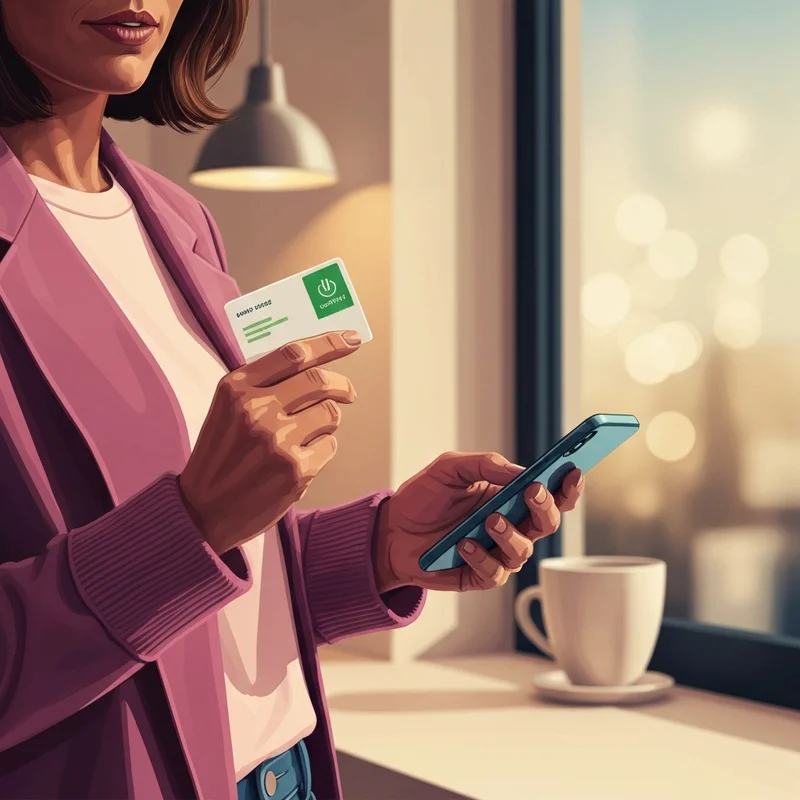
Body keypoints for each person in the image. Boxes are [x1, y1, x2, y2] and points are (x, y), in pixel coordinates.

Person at [0, 2, 585, 799]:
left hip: (288, 772)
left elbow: (214, 592)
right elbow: (183, 543)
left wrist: (379, 550)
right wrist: (191, 525)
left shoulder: (177, 221)